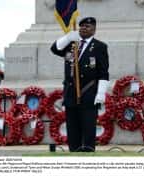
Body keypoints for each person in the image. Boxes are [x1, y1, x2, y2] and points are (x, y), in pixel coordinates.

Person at [51, 17, 109, 152]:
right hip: (71, 93)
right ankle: (74, 151)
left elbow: (103, 72)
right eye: (81, 26)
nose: (83, 28)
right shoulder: (72, 44)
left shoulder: (99, 46)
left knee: (88, 127)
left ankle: (88, 152)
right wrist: (67, 37)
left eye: (87, 26)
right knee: (72, 128)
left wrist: (101, 93)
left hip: (88, 92)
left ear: (94, 29)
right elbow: (54, 49)